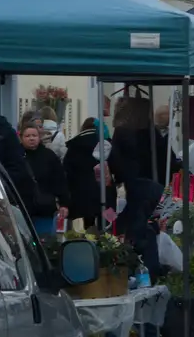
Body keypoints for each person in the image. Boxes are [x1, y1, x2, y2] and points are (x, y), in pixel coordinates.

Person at [107, 98, 165, 276]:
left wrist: (117, 176)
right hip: (152, 182)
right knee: (146, 226)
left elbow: (115, 157)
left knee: (136, 224)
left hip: (133, 181)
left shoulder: (121, 131)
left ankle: (137, 262)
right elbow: (163, 154)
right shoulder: (151, 131)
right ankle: (150, 266)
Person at [20, 123, 69, 234]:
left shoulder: (49, 156)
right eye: (27, 136)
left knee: (44, 240)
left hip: (44, 208)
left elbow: (60, 180)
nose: (31, 138)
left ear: (39, 137)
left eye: (34, 135)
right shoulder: (16, 156)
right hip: (21, 208)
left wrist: (64, 203)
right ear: (21, 137)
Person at [64, 118, 106, 229]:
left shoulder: (74, 144)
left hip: (79, 191)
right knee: (105, 221)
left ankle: (79, 241)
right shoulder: (103, 143)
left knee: (80, 224)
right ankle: (107, 241)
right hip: (102, 191)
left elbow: (67, 169)